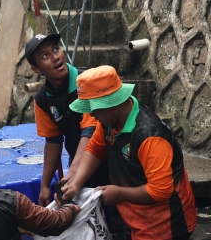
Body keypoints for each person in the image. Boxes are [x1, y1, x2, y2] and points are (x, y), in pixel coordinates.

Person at [61, 66, 197, 240]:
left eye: (94, 109)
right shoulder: (108, 122)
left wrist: (119, 193)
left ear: (110, 104)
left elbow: (161, 190)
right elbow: (95, 149)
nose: (92, 115)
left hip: (166, 225)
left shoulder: (149, 135)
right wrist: (75, 183)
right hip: (135, 219)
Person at [24, 33, 110, 206]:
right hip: (77, 163)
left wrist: (72, 174)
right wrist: (44, 185)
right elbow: (53, 140)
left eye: (56, 49)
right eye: (45, 56)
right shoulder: (42, 99)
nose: (55, 57)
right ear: (37, 69)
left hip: (107, 160)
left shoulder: (84, 82)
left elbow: (90, 131)